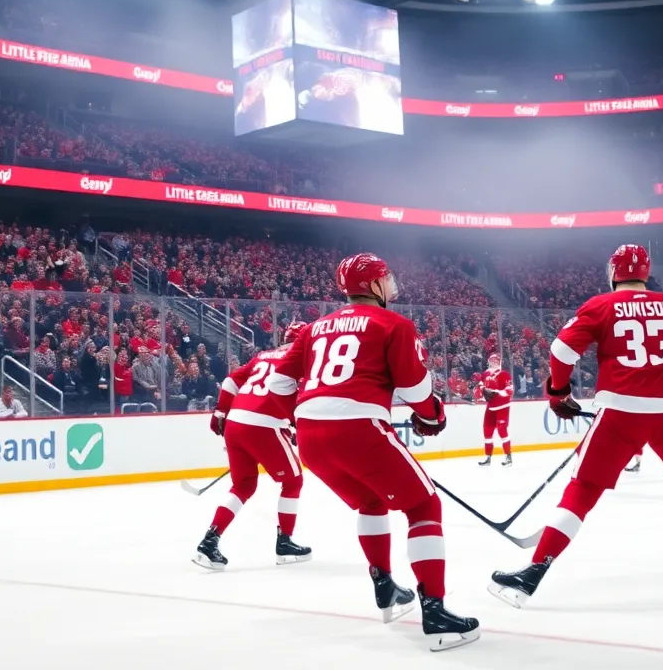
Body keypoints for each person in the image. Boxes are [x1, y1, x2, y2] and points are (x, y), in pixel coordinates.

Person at [489, 245, 663, 609]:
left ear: (613, 272)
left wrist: (559, 393)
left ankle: (534, 571)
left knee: (584, 488)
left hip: (620, 413)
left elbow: (563, 351)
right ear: (646, 273)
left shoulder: (601, 306)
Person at [266, 253, 479, 652]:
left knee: (370, 501)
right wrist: (432, 416)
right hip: (360, 426)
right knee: (424, 507)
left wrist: (300, 418)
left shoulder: (315, 328)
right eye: (386, 279)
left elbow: (279, 382)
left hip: (312, 433)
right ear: (376, 285)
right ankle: (435, 611)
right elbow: (416, 391)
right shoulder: (394, 323)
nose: (391, 285)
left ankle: (385, 587)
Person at [193, 322, 312, 572]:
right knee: (293, 481)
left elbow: (230, 382)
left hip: (236, 423)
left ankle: (210, 540)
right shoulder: (302, 361)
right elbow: (297, 397)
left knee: (243, 485)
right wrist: (296, 424)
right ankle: (285, 543)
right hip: (264, 424)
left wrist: (221, 411)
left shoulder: (263, 356)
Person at [477, 352, 513, 467]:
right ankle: (488, 458)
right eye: (492, 360)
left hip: (502, 406)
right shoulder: (485, 373)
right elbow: (480, 386)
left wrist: (495, 392)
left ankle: (508, 457)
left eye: (496, 360)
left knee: (502, 429)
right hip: (490, 406)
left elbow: (509, 390)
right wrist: (482, 391)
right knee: (487, 430)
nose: (494, 362)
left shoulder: (504, 374)